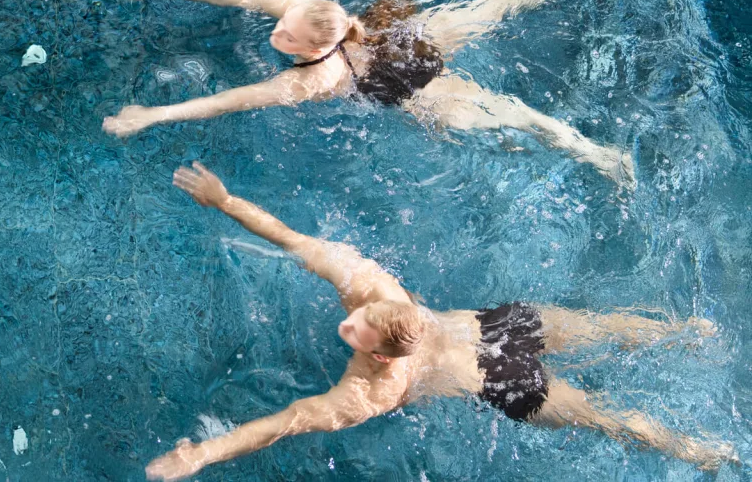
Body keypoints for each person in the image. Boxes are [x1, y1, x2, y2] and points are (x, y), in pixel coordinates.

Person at [145, 162, 734, 480]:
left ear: (381, 356)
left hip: (505, 382)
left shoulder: (373, 389)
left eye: (357, 331)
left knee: (606, 415)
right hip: (501, 327)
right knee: (606, 335)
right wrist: (224, 202)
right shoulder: (371, 287)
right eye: (360, 315)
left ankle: (701, 448)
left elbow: (288, 420)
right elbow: (288, 237)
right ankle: (688, 342)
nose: (348, 324)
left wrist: (203, 455)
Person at [102, 0, 634, 187]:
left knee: (517, 117)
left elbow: (226, 102)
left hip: (416, 90)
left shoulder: (313, 80)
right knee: (491, 9)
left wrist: (152, 115)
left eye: (287, 37)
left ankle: (601, 155)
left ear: (312, 48)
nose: (277, 33)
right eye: (282, 25)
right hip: (406, 39)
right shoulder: (299, 6)